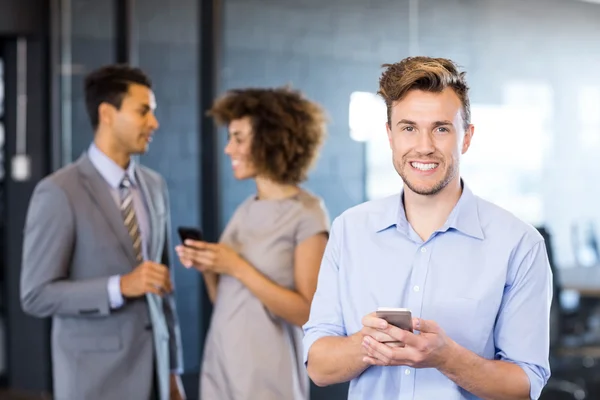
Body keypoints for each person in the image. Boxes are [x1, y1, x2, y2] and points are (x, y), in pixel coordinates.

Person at [303, 57, 552, 400]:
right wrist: (369, 344)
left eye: (441, 128)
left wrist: (447, 358)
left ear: (466, 137)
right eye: (408, 128)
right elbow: (318, 366)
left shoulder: (520, 244)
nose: (424, 146)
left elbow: (525, 385)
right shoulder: (350, 230)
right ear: (390, 136)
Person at [20, 65, 185, 400]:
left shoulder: (155, 186)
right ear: (107, 113)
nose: (153, 123)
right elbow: (36, 295)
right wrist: (120, 287)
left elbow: (161, 285)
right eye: (144, 112)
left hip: (155, 376)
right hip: (94, 383)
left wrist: (172, 370)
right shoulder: (59, 191)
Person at [176, 87, 330, 400]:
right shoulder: (246, 208)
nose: (228, 149)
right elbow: (226, 299)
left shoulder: (308, 213)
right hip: (222, 361)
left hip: (267, 372)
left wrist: (236, 266)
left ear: (270, 140)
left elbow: (309, 314)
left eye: (238, 138)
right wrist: (209, 266)